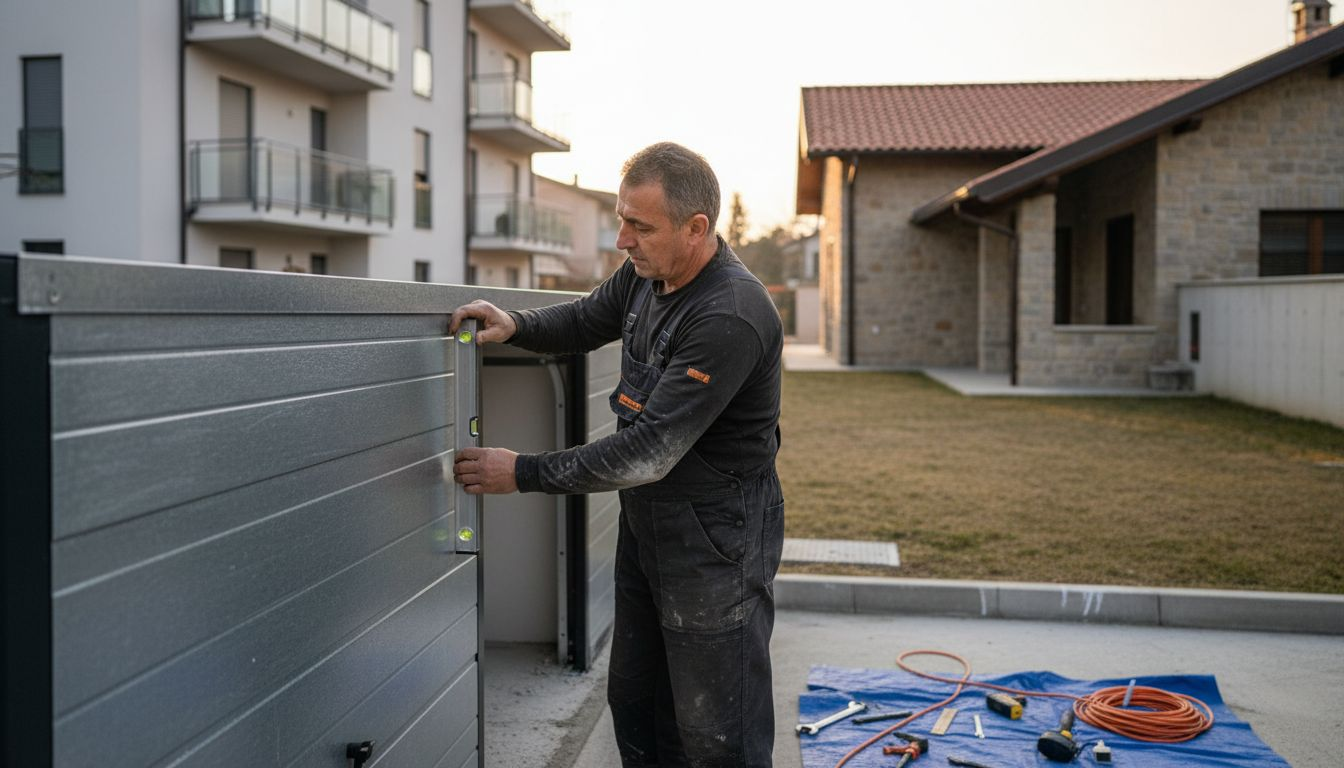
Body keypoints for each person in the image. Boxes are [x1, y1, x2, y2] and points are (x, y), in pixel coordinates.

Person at [449, 142, 784, 767]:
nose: (622, 238)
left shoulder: (729, 314)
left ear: (697, 228)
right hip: (650, 527)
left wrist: (520, 472)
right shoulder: (646, 274)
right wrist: (515, 323)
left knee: (717, 731)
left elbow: (648, 452)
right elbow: (583, 320)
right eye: (622, 218)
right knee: (636, 701)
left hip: (718, 542)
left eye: (641, 225)